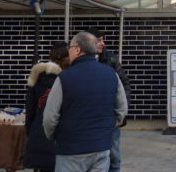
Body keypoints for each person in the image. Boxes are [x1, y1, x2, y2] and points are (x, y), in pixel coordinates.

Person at [43, 32, 127, 172]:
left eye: (70, 47)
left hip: (70, 148)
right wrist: (107, 128)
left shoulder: (64, 78)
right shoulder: (111, 74)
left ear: (77, 50)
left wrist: (53, 135)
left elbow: (50, 117)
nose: (68, 50)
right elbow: (122, 108)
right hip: (101, 147)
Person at [84, 28, 131, 172]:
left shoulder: (110, 59)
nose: (103, 43)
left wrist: (122, 114)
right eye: (99, 40)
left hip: (110, 116)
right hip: (87, 117)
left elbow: (124, 86)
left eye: (103, 39)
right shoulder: (78, 60)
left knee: (114, 156)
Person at [24, 41, 70, 172]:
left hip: (39, 133)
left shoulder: (37, 77)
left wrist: (30, 131)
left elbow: (30, 109)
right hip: (64, 137)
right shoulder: (70, 78)